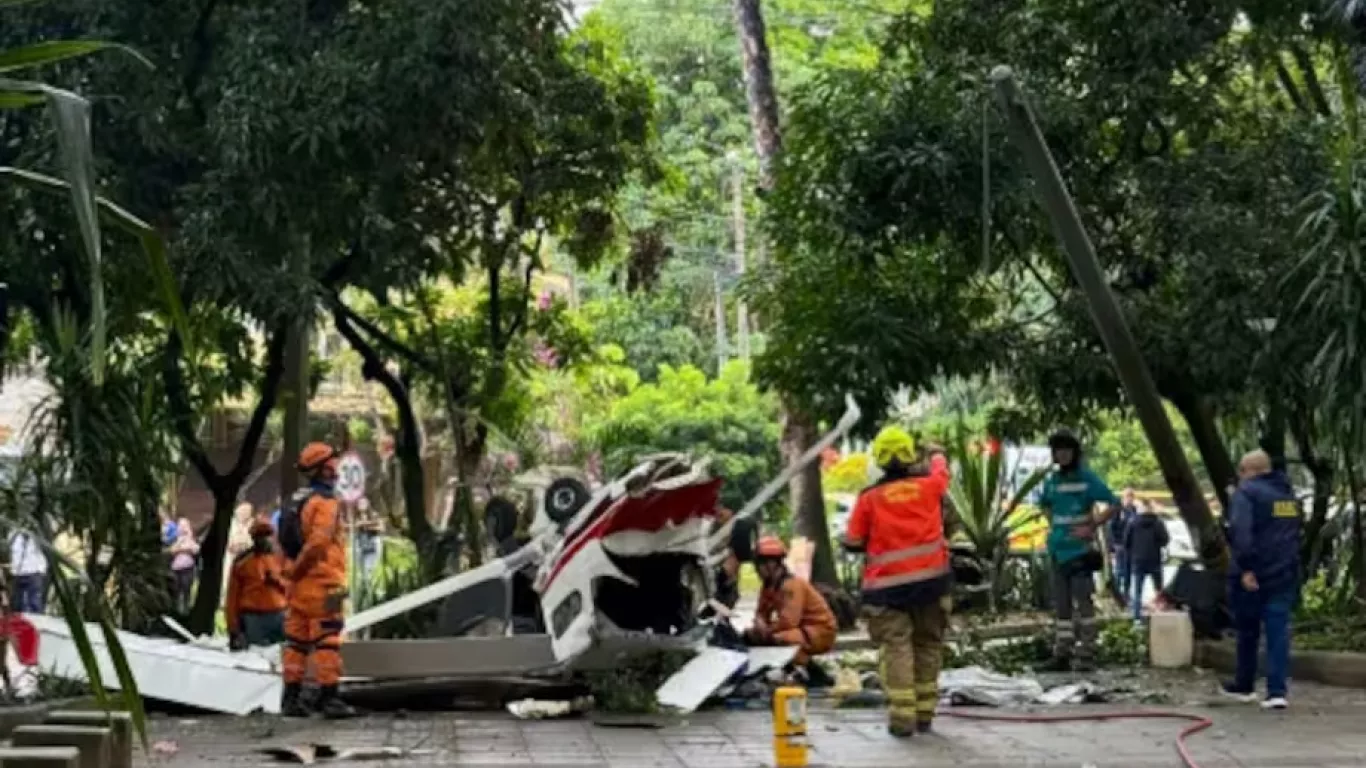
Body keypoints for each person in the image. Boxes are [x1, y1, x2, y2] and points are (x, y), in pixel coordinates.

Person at [843, 426, 952, 738]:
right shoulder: (930, 486)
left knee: (897, 646)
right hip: (932, 583)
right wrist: (936, 453)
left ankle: (902, 719)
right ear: (909, 456)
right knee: (928, 643)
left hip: (887, 589)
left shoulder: (869, 498)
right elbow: (942, 473)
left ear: (878, 458)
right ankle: (925, 714)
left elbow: (853, 541)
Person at [281, 443, 356, 719]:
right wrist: (300, 569)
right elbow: (319, 543)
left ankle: (291, 698)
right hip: (324, 583)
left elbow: (289, 542)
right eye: (334, 462)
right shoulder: (325, 503)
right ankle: (329, 698)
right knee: (328, 639)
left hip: (298, 587)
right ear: (324, 467)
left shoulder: (297, 500)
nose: (337, 467)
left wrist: (292, 573)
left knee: (296, 642)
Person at [1222, 450, 1301, 710]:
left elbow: (1241, 533)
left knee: (1247, 630)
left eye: (1241, 472)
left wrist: (1245, 568)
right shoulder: (1287, 495)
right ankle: (1277, 691)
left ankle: (1244, 685)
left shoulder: (1247, 493)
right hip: (1283, 573)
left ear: (1248, 470)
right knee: (1278, 632)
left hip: (1254, 574)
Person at [1037, 429, 1119, 672]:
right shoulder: (1052, 481)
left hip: (1080, 551)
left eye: (1066, 450)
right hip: (1057, 550)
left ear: (1074, 453)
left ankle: (1088, 653)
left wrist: (1091, 525)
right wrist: (1054, 526)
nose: (1061, 455)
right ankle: (1062, 653)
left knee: (1083, 603)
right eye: (1057, 451)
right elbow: (1044, 505)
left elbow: (1114, 503)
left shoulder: (1087, 478)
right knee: (1061, 605)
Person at [744, 536, 837, 678]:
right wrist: (757, 627)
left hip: (820, 631)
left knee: (780, 640)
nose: (757, 570)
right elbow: (761, 612)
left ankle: (817, 675)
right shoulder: (769, 586)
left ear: (773, 564)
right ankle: (789, 670)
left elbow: (788, 622)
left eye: (760, 565)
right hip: (803, 630)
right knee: (755, 637)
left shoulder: (791, 585)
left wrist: (766, 631)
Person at [226, 518, 288, 649]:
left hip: (279, 616)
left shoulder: (281, 559)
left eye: (267, 535)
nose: (264, 540)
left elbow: (293, 588)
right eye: (260, 536)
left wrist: (277, 581)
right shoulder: (242, 562)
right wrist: (233, 629)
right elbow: (232, 598)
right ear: (253, 538)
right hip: (253, 618)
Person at [1124, 499, 1169, 621]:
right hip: (1155, 559)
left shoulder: (1132, 522)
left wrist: (1133, 550)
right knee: (1159, 589)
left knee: (1138, 591)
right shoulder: (1158, 522)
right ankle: (1161, 615)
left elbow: (1126, 542)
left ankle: (1137, 617)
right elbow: (1165, 540)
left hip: (1138, 560)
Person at [1109, 488, 1139, 604]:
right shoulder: (1118, 510)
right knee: (1120, 570)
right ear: (1124, 498)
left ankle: (1126, 593)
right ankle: (1117, 594)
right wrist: (1114, 545)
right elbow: (1111, 527)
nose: (1130, 499)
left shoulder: (1133, 510)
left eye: (1131, 497)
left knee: (1129, 570)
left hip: (1130, 545)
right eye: (1127, 497)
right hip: (1120, 544)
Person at [8, 529, 47, 614]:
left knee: (34, 602)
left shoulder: (37, 536)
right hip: (18, 572)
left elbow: (45, 549)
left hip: (34, 571)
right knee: (16, 602)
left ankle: (37, 622)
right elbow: (10, 551)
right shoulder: (13, 535)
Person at [168, 518, 200, 614]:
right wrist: (180, 544)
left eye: (185, 526)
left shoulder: (191, 538)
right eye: (180, 526)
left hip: (187, 568)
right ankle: (175, 611)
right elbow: (171, 551)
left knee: (186, 590)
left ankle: (186, 610)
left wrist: (188, 540)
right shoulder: (175, 538)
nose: (182, 528)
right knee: (175, 591)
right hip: (176, 568)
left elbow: (195, 549)